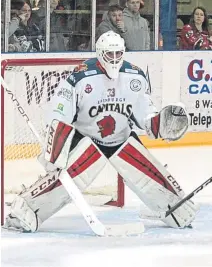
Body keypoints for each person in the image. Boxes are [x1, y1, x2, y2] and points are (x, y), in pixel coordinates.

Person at [4, 31, 199, 233]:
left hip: (121, 139)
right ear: (99, 53)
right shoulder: (80, 76)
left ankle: (175, 209)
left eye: (118, 54)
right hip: (86, 139)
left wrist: (159, 123)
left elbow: (145, 116)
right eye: (109, 54)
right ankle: (24, 210)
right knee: (69, 180)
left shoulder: (135, 76)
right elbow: (59, 114)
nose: (114, 59)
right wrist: (54, 149)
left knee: (148, 176)